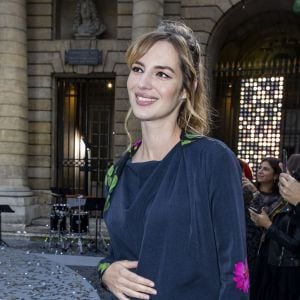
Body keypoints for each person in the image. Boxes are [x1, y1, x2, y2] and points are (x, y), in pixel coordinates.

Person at [97, 20, 248, 300]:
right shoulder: (116, 172)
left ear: (185, 89)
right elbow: (118, 254)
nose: (143, 84)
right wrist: (106, 271)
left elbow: (236, 274)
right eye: (138, 69)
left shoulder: (212, 159)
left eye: (162, 74)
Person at [249, 154, 300, 300]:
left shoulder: (294, 201)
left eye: (288, 172)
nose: (284, 177)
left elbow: (295, 244)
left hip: (285, 272)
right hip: (268, 263)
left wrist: (268, 225)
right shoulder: (283, 199)